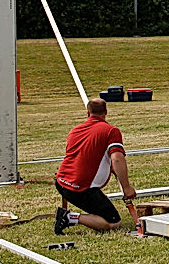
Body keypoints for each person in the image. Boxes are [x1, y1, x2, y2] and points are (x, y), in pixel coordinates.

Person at [53, 97, 137, 234]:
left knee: (101, 209)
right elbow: (117, 159)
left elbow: (86, 157)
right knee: (113, 222)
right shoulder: (111, 131)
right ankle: (69, 217)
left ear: (88, 113)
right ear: (106, 112)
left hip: (61, 182)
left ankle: (68, 215)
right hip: (81, 189)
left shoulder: (75, 130)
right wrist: (127, 188)